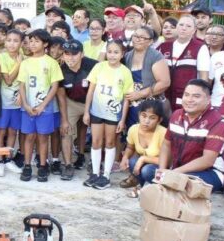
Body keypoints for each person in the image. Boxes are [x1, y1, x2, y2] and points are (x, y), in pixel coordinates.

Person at [158, 79, 224, 191]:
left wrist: (174, 172)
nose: (189, 100)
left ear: (208, 99)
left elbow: (207, 160)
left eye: (196, 96)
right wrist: (162, 170)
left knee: (182, 182)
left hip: (209, 172)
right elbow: (166, 145)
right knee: (148, 171)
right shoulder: (176, 115)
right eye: (186, 95)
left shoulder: (217, 122)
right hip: (178, 169)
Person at [83, 40, 133, 189]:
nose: (112, 55)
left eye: (116, 52)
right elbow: (91, 91)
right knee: (96, 141)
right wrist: (86, 111)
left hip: (113, 114)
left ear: (122, 54)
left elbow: (126, 98)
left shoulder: (125, 71)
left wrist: (122, 120)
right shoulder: (99, 67)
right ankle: (95, 173)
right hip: (97, 111)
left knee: (110, 142)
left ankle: (106, 175)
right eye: (110, 52)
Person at [18, 29, 63, 182]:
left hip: (45, 108)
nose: (33, 44)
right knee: (29, 137)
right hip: (28, 107)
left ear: (45, 44)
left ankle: (43, 166)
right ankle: (27, 165)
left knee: (43, 137)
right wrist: (25, 104)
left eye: (37, 41)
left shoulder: (51, 63)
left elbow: (54, 86)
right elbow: (22, 85)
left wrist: (43, 105)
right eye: (31, 41)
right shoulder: (25, 63)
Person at [57, 39, 97, 177]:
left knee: (98, 131)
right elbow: (61, 96)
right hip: (71, 102)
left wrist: (88, 110)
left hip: (92, 102)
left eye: (74, 54)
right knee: (66, 131)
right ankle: (68, 165)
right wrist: (64, 119)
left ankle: (95, 163)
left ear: (82, 54)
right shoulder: (60, 69)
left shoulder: (93, 65)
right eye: (67, 54)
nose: (70, 57)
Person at [157, 14, 210, 109]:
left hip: (186, 98)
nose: (183, 28)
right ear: (176, 27)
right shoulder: (163, 47)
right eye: (181, 25)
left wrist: (199, 98)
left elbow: (203, 78)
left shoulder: (200, 47)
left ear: (194, 30)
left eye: (188, 26)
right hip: (163, 97)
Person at [119, 99, 167, 195]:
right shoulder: (133, 129)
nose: (146, 121)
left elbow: (167, 161)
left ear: (159, 120)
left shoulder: (163, 133)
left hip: (163, 168)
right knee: (132, 161)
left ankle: (153, 189)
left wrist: (143, 159)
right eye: (143, 116)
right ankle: (141, 184)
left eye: (152, 118)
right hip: (147, 163)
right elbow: (130, 147)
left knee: (146, 170)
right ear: (139, 115)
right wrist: (125, 157)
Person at [123, 25, 170, 124]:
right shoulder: (127, 56)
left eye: (142, 37)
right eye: (135, 36)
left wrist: (140, 94)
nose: (137, 39)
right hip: (131, 105)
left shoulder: (156, 56)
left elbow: (164, 83)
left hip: (151, 106)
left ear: (150, 41)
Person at [0, 29, 23, 176]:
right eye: (9, 40)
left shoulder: (24, 58)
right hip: (4, 101)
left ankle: (8, 159)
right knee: (1, 130)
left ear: (21, 43)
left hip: (18, 101)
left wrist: (22, 96)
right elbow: (8, 80)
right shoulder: (2, 57)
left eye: (16, 41)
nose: (12, 44)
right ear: (5, 42)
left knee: (13, 131)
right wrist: (18, 64)